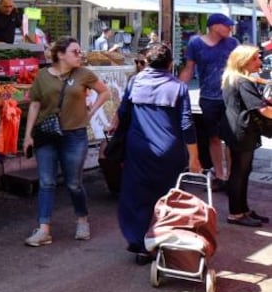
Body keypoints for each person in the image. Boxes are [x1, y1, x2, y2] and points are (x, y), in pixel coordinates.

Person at [22, 37, 112, 247]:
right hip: (47, 135)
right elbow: (35, 105)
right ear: (60, 55)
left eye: (79, 51)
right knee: (46, 182)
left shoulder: (84, 74)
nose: (79, 55)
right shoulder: (43, 75)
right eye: (75, 51)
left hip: (74, 136)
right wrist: (28, 135)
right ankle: (43, 229)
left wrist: (90, 112)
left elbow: (105, 92)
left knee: (73, 182)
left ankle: (82, 220)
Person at [116, 42, 201, 264]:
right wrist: (194, 157)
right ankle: (160, 240)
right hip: (170, 151)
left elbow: (123, 114)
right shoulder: (179, 87)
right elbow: (186, 124)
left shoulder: (135, 82)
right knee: (166, 198)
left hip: (138, 150)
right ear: (171, 64)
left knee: (136, 195)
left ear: (146, 63)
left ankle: (140, 243)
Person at [179, 13, 238, 189]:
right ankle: (220, 175)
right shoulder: (196, 43)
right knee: (213, 137)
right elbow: (189, 68)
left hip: (230, 97)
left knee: (231, 139)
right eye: (226, 25)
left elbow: (240, 67)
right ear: (214, 26)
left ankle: (232, 177)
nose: (230, 28)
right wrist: (177, 89)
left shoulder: (232, 43)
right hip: (208, 97)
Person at [220, 45, 272, 227]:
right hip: (241, 131)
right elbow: (263, 109)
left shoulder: (234, 78)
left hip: (238, 129)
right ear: (244, 61)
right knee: (239, 173)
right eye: (256, 58)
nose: (260, 62)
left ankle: (243, 210)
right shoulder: (243, 81)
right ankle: (236, 213)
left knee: (243, 171)